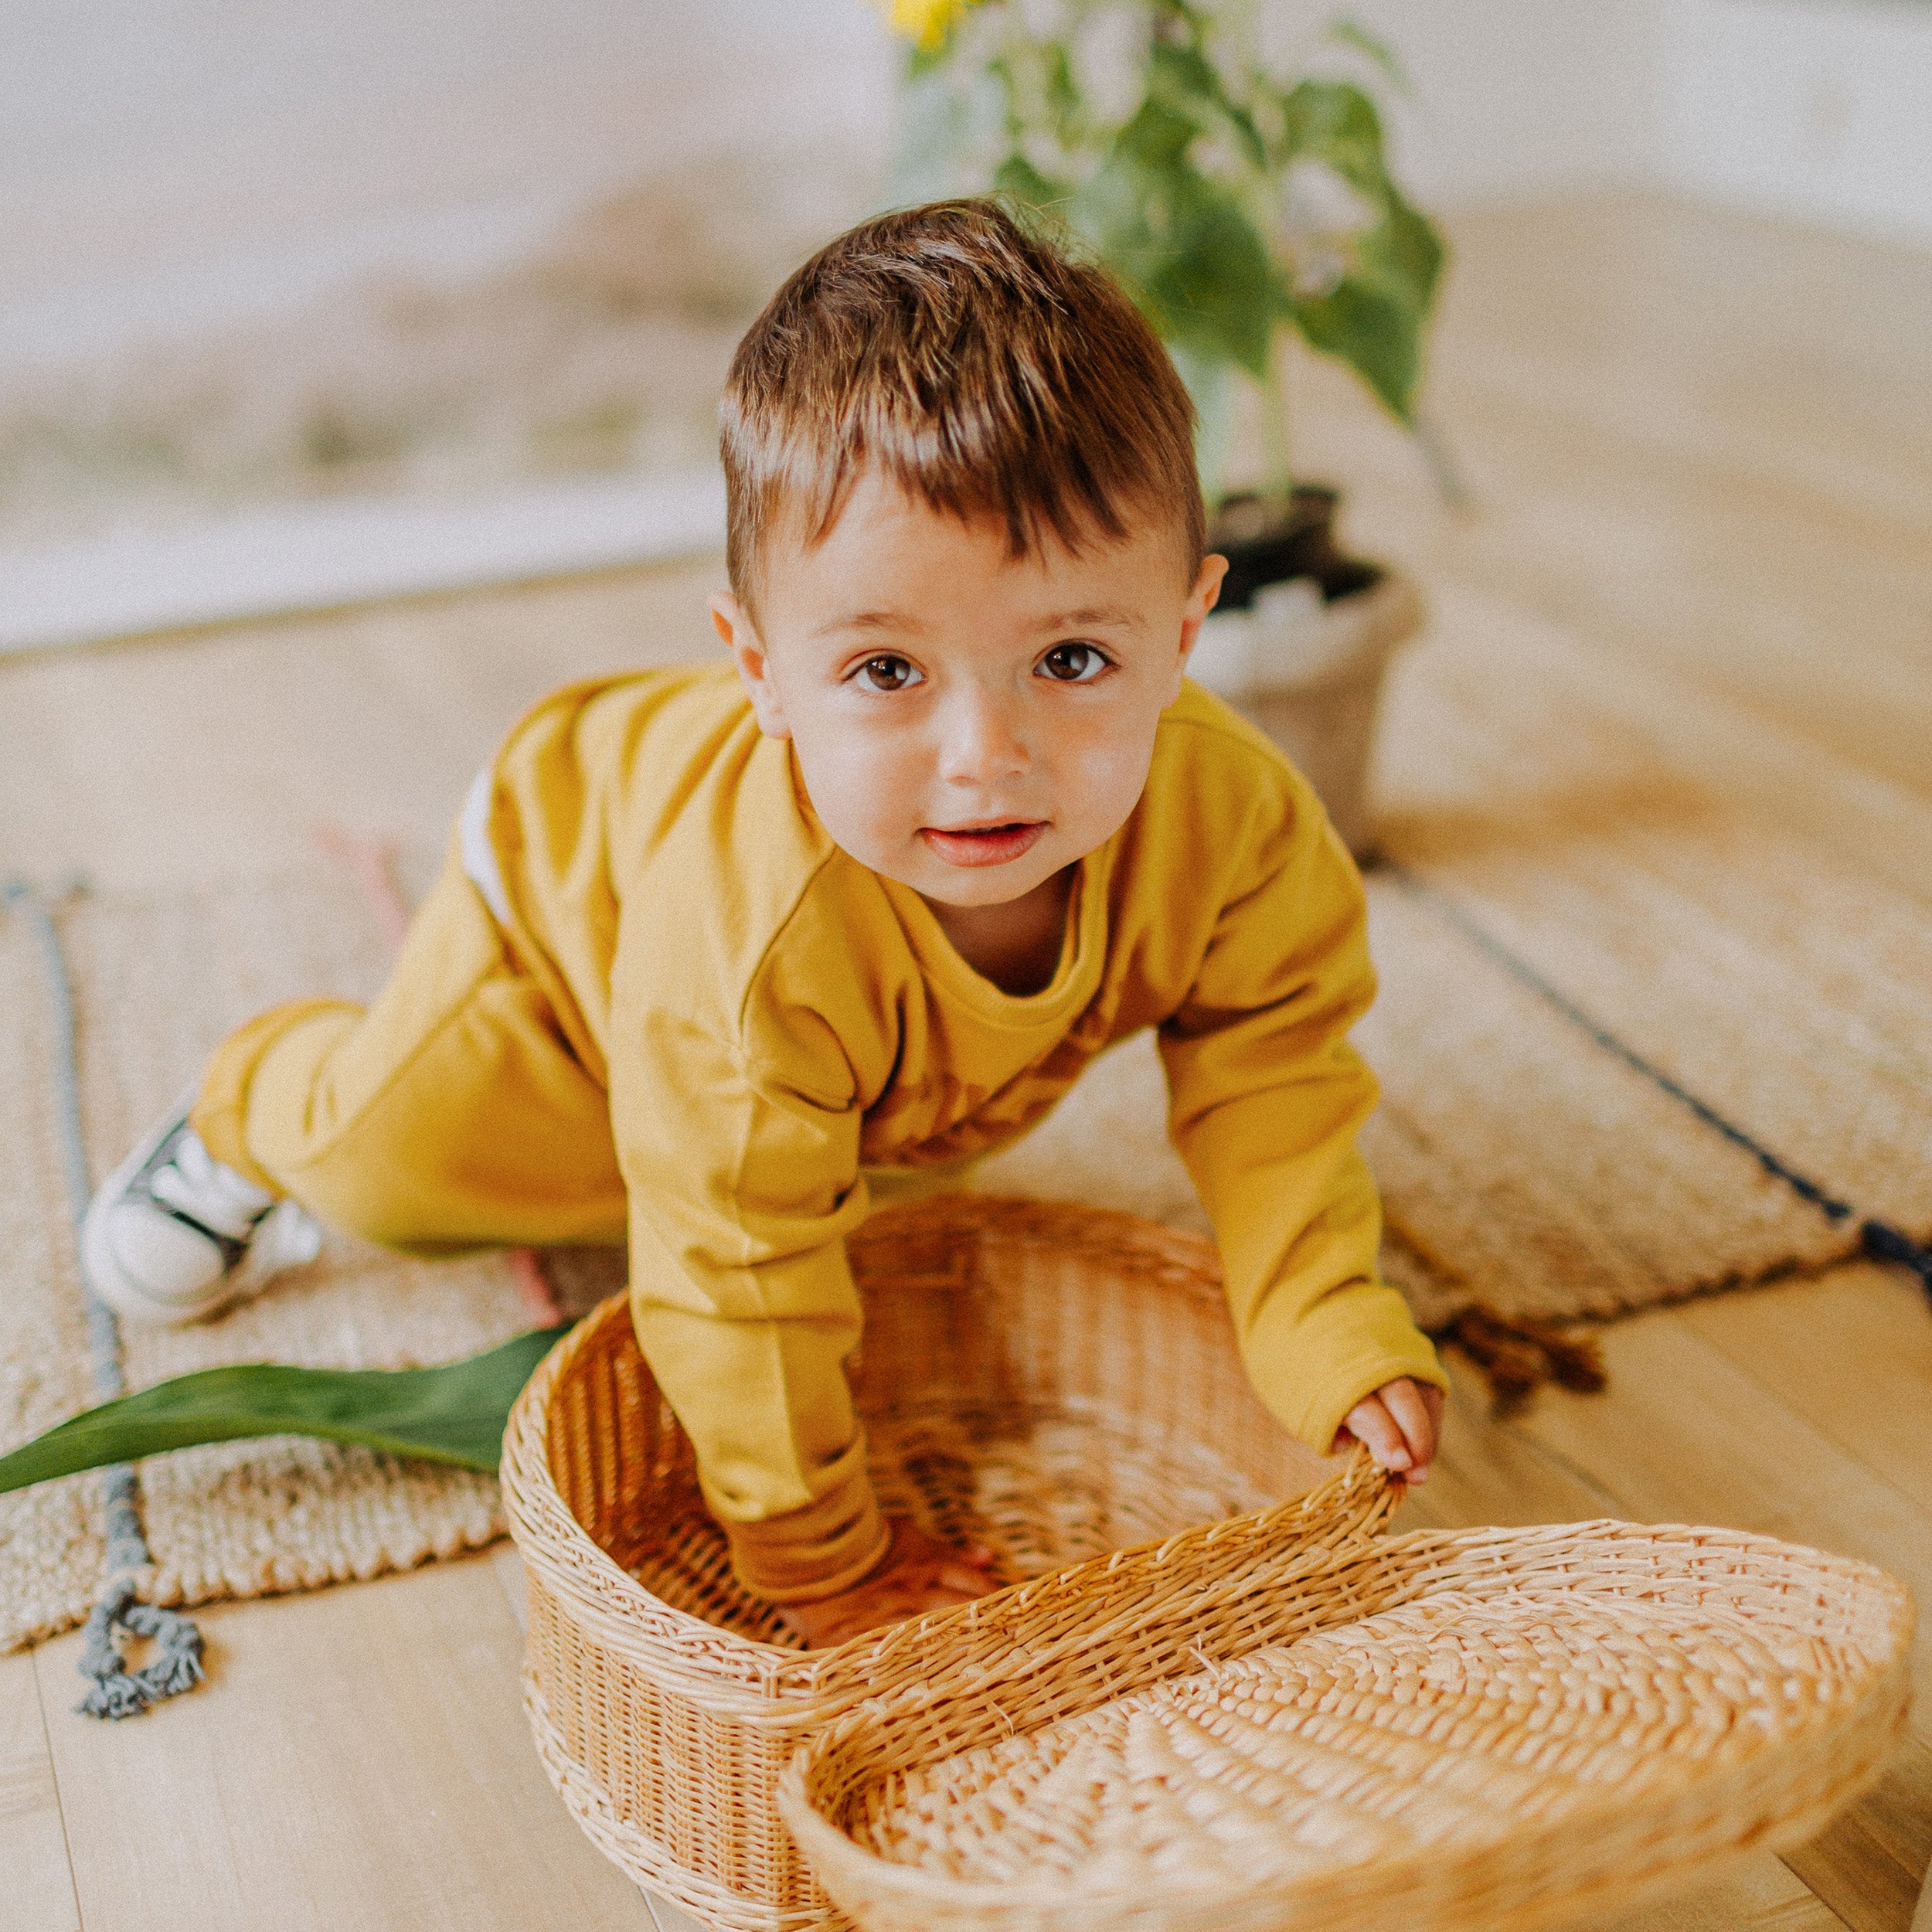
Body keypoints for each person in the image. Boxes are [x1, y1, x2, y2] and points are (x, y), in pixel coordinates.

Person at [81, 199, 1448, 1649]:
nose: (987, 754)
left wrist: (1322, 1320)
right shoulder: (748, 939)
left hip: (814, 1031)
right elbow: (733, 1259)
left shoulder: (1235, 825)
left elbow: (1277, 1068)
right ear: (758, 667)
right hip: (570, 911)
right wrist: (818, 1554)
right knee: (408, 1163)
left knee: (858, 1191)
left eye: (1069, 656)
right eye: (884, 670)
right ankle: (251, 1101)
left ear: (1184, 631)